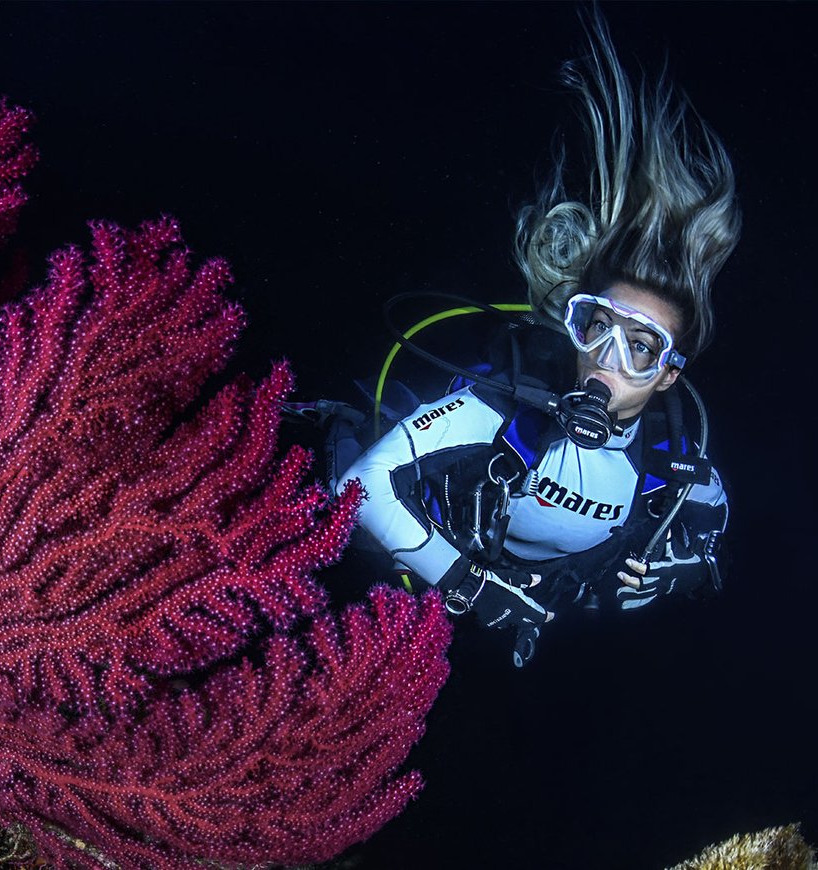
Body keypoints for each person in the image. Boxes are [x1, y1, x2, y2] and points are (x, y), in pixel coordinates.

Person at [295, 15, 740, 666]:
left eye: (640, 349)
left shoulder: (674, 459)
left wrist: (692, 574)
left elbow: (715, 525)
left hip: (552, 627)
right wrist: (472, 586)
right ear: (575, 324)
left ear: (669, 374)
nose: (605, 361)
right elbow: (363, 489)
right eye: (597, 326)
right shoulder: (501, 406)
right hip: (428, 585)